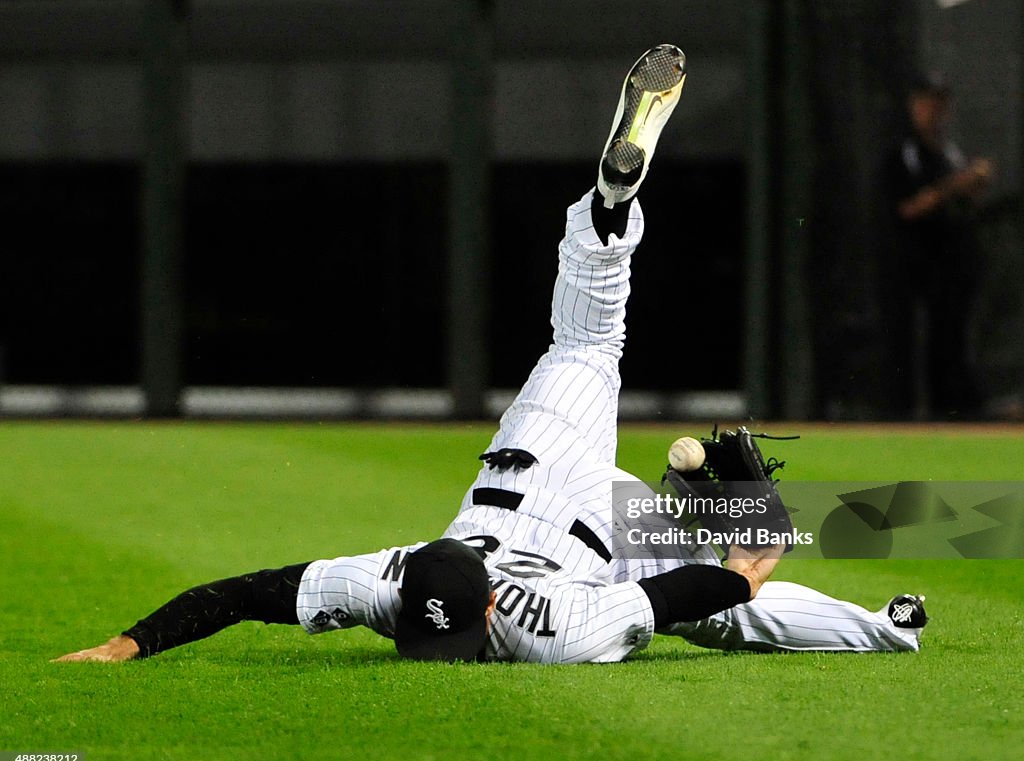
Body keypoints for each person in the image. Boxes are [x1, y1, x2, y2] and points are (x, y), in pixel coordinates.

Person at [56, 45, 927, 666]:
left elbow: (683, 601)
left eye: (453, 637)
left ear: (478, 603)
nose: (456, 653)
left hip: (579, 518)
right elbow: (248, 591)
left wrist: (746, 564)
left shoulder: (540, 626)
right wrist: (129, 642)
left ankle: (883, 622)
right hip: (536, 461)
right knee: (586, 336)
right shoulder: (393, 582)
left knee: (734, 606)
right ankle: (606, 215)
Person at [881, 71, 994, 419]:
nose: (934, 110)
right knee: (914, 343)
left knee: (953, 340)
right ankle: (910, 415)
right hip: (915, 265)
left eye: (940, 103)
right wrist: (957, 185)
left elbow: (958, 203)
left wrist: (972, 186)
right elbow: (908, 207)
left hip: (952, 264)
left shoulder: (948, 150)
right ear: (914, 106)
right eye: (928, 102)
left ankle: (954, 413)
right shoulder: (905, 151)